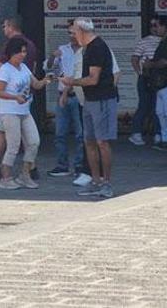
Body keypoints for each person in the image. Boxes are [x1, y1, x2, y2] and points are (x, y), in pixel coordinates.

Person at [0, 16, 39, 180]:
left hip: (11, 101)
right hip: (24, 96)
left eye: (4, 26)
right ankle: (30, 168)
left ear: (11, 27)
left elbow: (2, 74)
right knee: (27, 137)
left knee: (5, 135)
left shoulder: (12, 47)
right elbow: (34, 69)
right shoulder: (31, 45)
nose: (3, 30)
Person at [60, 17, 117, 198]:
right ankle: (95, 181)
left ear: (82, 31)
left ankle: (106, 182)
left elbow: (93, 79)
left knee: (102, 141)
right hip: (89, 100)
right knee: (89, 142)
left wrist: (72, 82)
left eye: (75, 32)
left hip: (102, 99)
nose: (73, 35)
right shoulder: (86, 49)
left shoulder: (97, 47)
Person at [0, 38, 52, 190]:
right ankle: (5, 177)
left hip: (24, 110)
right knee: (13, 145)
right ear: (11, 53)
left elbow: (36, 84)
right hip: (9, 111)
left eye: (24, 52)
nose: (22, 55)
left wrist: (47, 79)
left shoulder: (25, 68)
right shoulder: (5, 69)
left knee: (34, 141)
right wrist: (15, 97)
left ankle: (25, 174)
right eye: (19, 52)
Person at [42, 22, 84, 177]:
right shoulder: (63, 49)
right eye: (69, 33)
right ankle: (62, 165)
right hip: (62, 96)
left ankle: (80, 165)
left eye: (74, 33)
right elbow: (48, 67)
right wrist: (53, 56)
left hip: (78, 96)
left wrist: (68, 90)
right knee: (60, 133)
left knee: (81, 134)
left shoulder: (85, 50)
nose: (71, 36)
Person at [143, 15, 167, 151]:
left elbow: (166, 61)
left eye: (158, 26)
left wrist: (151, 64)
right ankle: (165, 138)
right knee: (160, 112)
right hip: (160, 83)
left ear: (165, 26)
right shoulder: (164, 41)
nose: (156, 29)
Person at [129, 19, 162, 146]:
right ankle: (136, 133)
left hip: (160, 79)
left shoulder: (165, 41)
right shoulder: (144, 41)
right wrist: (140, 73)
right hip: (146, 78)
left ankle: (158, 134)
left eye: (157, 25)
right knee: (143, 105)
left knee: (157, 107)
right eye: (152, 25)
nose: (154, 28)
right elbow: (134, 58)